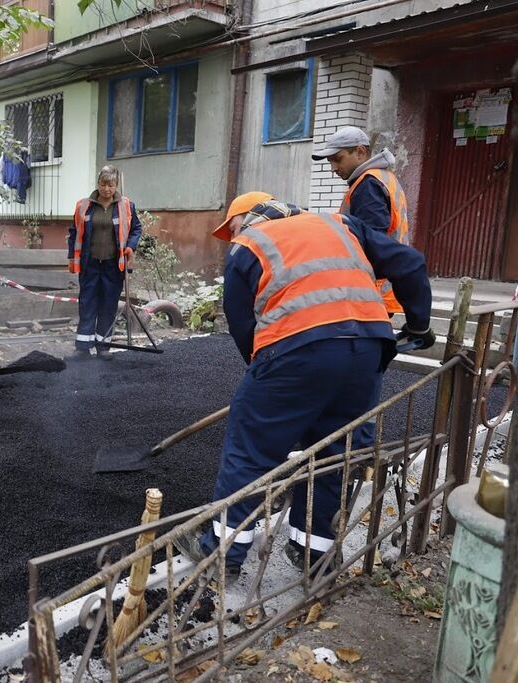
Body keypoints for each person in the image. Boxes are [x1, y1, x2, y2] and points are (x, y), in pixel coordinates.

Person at [183, 192, 435, 583]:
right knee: (335, 449)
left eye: (231, 226)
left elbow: (242, 327)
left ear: (250, 216)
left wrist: (273, 382)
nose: (231, 237)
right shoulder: (342, 225)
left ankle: (222, 554)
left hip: (297, 349)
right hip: (368, 348)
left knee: (250, 449)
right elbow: (411, 263)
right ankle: (314, 555)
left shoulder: (249, 246)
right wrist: (418, 324)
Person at [311, 126, 410, 315]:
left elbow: (371, 241)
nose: (333, 168)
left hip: (370, 288)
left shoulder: (368, 185)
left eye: (337, 159)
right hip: (383, 283)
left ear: (360, 151)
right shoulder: (383, 178)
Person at [67, 165, 143, 360]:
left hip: (113, 264)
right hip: (90, 263)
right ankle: (83, 346)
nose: (106, 189)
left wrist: (131, 246)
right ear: (98, 184)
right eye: (103, 184)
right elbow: (74, 232)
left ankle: (103, 346)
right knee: (87, 302)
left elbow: (136, 229)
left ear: (116, 185)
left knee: (108, 304)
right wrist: (70, 257)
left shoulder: (126, 206)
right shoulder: (84, 205)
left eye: (110, 185)